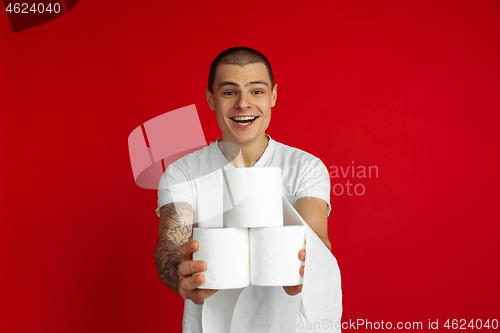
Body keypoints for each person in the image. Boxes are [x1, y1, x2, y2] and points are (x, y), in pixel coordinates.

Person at [154, 46, 332, 330]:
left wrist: (306, 266)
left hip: (287, 325)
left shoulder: (306, 167)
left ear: (273, 95)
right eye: (229, 92)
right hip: (211, 324)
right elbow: (170, 244)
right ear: (211, 98)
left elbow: (316, 236)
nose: (243, 104)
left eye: (257, 91)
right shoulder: (183, 173)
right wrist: (181, 275)